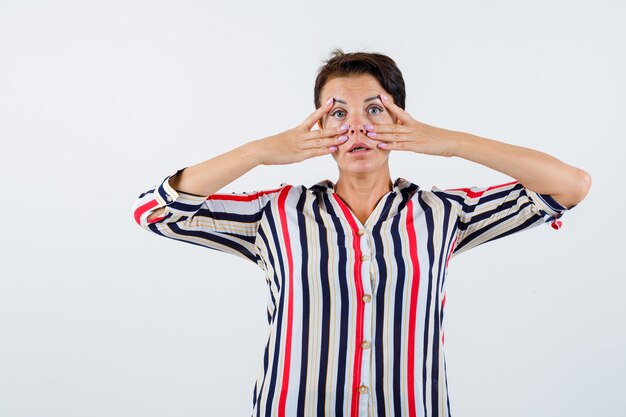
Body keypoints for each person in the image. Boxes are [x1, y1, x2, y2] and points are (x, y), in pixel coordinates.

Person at [131, 49, 591, 417]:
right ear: (317, 126)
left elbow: (571, 186)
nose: (357, 126)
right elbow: (154, 211)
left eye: (375, 109)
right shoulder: (275, 214)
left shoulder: (443, 214)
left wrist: (450, 143)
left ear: (400, 122)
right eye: (337, 113)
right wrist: (258, 152)